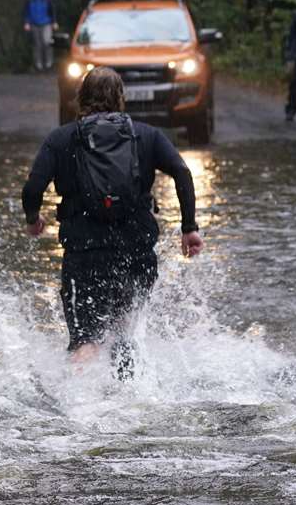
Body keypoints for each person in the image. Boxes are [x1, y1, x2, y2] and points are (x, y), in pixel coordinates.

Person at [22, 66, 202, 374]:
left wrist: (33, 218)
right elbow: (182, 172)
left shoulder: (61, 139)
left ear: (80, 98)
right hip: (136, 249)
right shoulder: (147, 135)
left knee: (85, 340)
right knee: (124, 331)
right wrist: (189, 229)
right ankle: (129, 397)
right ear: (121, 98)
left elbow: (33, 187)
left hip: (85, 252)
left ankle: (83, 408)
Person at [23, 0, 58, 72]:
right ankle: (38, 64)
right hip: (34, 23)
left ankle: (49, 62)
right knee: (37, 44)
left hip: (46, 23)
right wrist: (26, 22)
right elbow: (26, 11)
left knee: (47, 42)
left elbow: (52, 10)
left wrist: (54, 22)